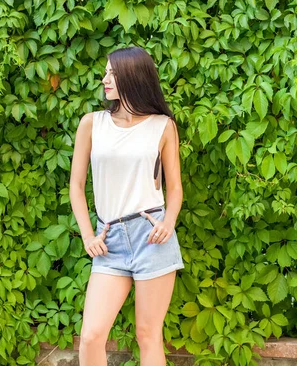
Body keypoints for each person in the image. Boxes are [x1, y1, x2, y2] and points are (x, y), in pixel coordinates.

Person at [69, 46, 184, 366]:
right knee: (91, 335)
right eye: (105, 72)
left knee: (148, 335)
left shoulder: (162, 126)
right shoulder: (92, 123)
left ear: (133, 78)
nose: (105, 79)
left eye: (112, 73)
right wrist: (88, 236)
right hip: (110, 241)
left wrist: (169, 222)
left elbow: (175, 189)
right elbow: (76, 188)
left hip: (152, 237)